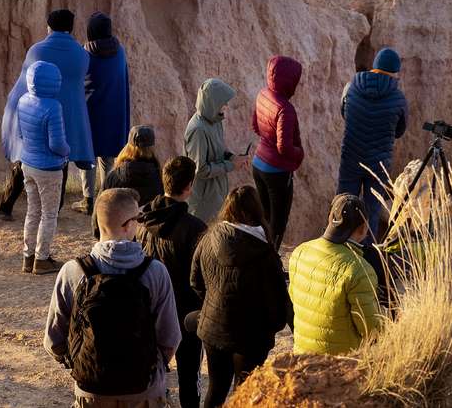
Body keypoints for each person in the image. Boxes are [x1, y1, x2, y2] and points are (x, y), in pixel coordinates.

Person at [44, 188, 182, 408]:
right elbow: (170, 338)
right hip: (144, 390)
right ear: (128, 225)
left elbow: (53, 340)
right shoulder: (155, 272)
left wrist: (82, 366)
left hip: (91, 392)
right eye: (137, 219)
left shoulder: (73, 271)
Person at [189, 186, 292, 408]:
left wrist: (213, 306)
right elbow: (277, 304)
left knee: (216, 389)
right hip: (251, 337)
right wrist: (272, 328)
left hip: (213, 329)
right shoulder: (265, 254)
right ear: (257, 211)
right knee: (244, 394)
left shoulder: (209, 237)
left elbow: (195, 281)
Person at [1, 9, 95, 216]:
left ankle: (6, 207)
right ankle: (53, 211)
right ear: (70, 29)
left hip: (37, 114)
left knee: (23, 159)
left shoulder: (37, 51)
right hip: (69, 117)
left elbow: (23, 86)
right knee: (59, 163)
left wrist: (13, 108)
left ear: (49, 27)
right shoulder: (82, 55)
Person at [138, 156, 207, 408]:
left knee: (155, 371)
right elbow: (201, 276)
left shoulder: (142, 222)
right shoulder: (196, 228)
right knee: (189, 376)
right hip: (185, 313)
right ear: (189, 186)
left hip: (149, 309)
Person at [287, 194, 384, 355]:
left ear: (330, 219)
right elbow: (371, 330)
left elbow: (294, 298)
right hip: (339, 364)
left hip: (302, 357)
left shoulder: (300, 251)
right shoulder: (359, 270)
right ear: (363, 228)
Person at [338, 47, 409, 241]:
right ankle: (366, 257)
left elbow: (345, 113)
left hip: (351, 157)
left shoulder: (351, 86)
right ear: (395, 71)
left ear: (374, 66)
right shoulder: (398, 98)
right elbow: (400, 131)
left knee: (342, 205)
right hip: (378, 164)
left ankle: (336, 247)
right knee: (371, 213)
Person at [17, 60, 70, 274]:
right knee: (49, 215)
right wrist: (68, 151)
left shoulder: (22, 100)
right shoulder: (53, 107)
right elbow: (56, 144)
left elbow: (20, 134)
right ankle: (42, 259)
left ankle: (28, 257)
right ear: (53, 82)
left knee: (33, 211)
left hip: (27, 163)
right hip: (48, 168)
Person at [250, 55, 304, 250]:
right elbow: (284, 148)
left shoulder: (262, 94)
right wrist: (300, 154)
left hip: (258, 164)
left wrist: (268, 140)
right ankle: (270, 261)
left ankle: (259, 254)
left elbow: (256, 126)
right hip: (277, 172)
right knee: (278, 221)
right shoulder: (285, 109)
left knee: (263, 216)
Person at [184, 78, 246, 222]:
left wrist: (231, 157)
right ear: (213, 103)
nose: (225, 105)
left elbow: (218, 150)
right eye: (222, 102)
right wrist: (231, 166)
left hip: (215, 196)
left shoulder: (215, 121)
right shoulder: (198, 129)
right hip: (202, 203)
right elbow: (200, 169)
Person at [84, 11, 130, 202]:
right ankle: (107, 196)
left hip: (92, 112)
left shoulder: (85, 54)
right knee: (108, 157)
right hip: (114, 111)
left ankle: (88, 199)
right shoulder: (120, 52)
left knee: (88, 155)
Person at [92, 125, 163, 239]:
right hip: (148, 240)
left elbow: (100, 208)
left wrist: (98, 233)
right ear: (152, 147)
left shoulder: (114, 176)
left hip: (118, 238)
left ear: (128, 146)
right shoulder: (159, 177)